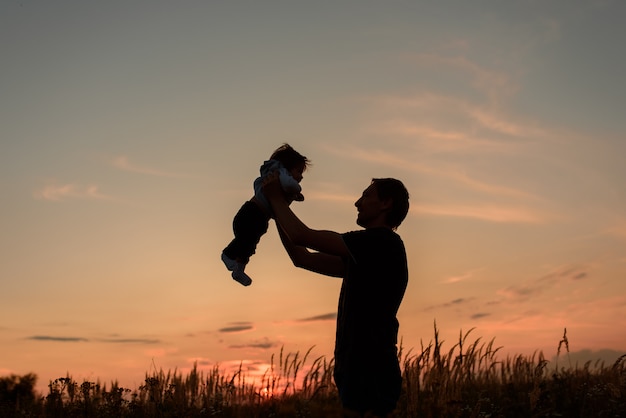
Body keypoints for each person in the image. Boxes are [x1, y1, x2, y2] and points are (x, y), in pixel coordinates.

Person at [263, 175, 409, 417]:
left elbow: (301, 235)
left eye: (366, 195)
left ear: (386, 204)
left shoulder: (381, 243)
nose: (357, 202)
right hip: (355, 369)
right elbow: (303, 258)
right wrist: (278, 209)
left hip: (371, 369)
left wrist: (275, 199)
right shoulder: (365, 256)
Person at [221, 144, 310, 286]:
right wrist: (297, 191)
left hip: (260, 219)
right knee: (245, 240)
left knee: (249, 246)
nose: (300, 177)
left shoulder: (278, 181)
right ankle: (227, 255)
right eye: (299, 172)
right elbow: (290, 185)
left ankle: (239, 270)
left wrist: (295, 196)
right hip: (251, 214)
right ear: (287, 167)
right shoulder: (280, 174)